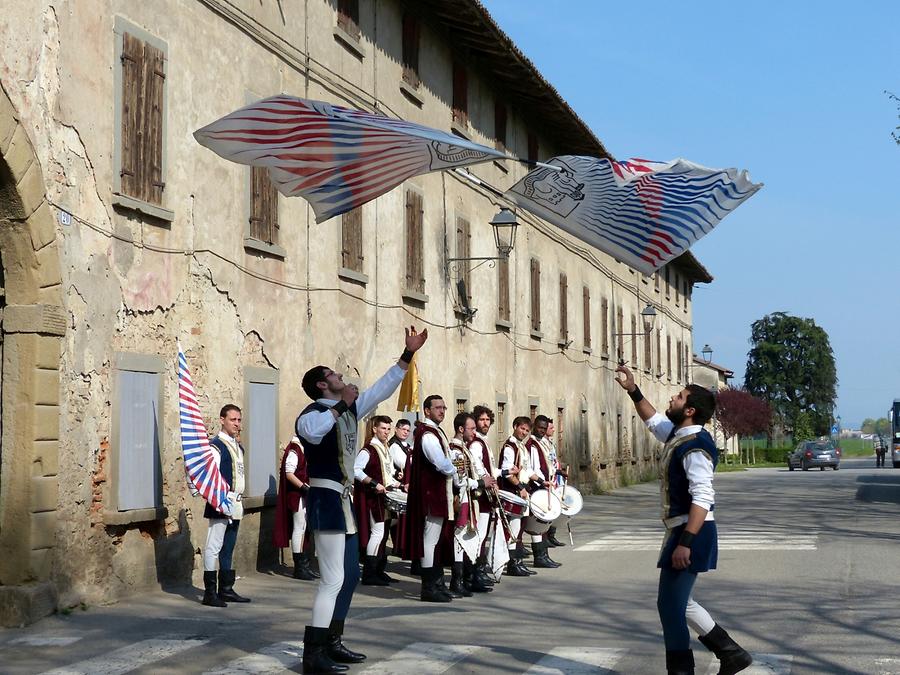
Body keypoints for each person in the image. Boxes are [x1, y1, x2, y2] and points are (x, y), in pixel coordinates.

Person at [296, 327, 428, 674]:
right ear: (322, 385)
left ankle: (333, 641)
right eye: (332, 374)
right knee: (332, 579)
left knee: (350, 578)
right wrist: (343, 405)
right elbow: (312, 432)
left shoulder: (350, 408)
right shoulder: (312, 412)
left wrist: (407, 354)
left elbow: (384, 387)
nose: (339, 375)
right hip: (325, 499)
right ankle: (313, 654)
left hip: (343, 501)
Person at [616, 364, 752, 675]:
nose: (672, 399)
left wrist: (686, 543)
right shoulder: (681, 435)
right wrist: (633, 390)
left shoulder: (695, 446)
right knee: (681, 602)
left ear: (689, 409)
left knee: (670, 607)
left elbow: (703, 497)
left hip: (693, 531)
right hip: (684, 530)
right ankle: (731, 653)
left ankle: (683, 671)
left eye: (678, 397)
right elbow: (653, 421)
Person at [399, 394, 469, 602]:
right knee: (430, 541)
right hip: (431, 495)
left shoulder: (436, 432)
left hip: (439, 494)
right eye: (437, 407)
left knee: (437, 541)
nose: (442, 411)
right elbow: (441, 463)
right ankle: (429, 586)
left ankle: (437, 583)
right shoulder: (427, 434)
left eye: (444, 407)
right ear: (427, 411)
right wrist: (456, 471)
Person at [199, 404, 251, 607]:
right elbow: (210, 474)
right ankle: (210, 592)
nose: (237, 424)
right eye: (233, 420)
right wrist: (219, 499)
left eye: (239, 420)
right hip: (221, 499)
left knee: (228, 547)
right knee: (214, 545)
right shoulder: (216, 445)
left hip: (236, 501)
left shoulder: (237, 445)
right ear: (222, 420)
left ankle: (226, 589)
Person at [448, 411, 496, 595]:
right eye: (472, 428)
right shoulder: (456, 450)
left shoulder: (463, 448)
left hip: (469, 498)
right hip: (461, 499)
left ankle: (468, 577)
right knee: (460, 538)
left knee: (468, 537)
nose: (474, 432)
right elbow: (459, 480)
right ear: (461, 429)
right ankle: (457, 581)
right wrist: (481, 483)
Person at [354, 415, 399, 586]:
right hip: (374, 498)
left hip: (385, 496)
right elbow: (356, 471)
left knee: (384, 533)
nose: (386, 432)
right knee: (378, 533)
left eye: (388, 429)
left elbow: (387, 474)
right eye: (383, 428)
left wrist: (398, 484)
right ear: (374, 429)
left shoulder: (385, 448)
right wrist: (374, 484)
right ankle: (369, 573)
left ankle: (379, 570)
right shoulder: (368, 450)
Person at [273, 436, 318, 581]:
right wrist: (304, 488)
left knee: (304, 528)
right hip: (297, 495)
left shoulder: (304, 447)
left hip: (304, 494)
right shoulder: (295, 448)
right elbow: (289, 473)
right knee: (299, 527)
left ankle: (304, 566)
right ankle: (299, 568)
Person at [499, 416, 537, 577]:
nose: (524, 432)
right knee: (513, 529)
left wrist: (542, 481)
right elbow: (507, 472)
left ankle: (517, 562)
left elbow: (526, 470)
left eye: (527, 431)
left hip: (521, 491)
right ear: (515, 426)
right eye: (522, 429)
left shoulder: (521, 447)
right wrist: (520, 487)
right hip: (512, 491)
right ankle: (512, 564)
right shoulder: (510, 447)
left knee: (519, 528)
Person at [526, 415, 561, 569]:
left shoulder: (542, 443)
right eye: (539, 427)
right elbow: (534, 468)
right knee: (537, 522)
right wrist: (541, 482)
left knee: (544, 521)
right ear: (534, 426)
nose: (542, 430)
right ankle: (539, 557)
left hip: (546, 485)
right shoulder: (532, 445)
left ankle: (544, 555)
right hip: (537, 486)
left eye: (544, 428)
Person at [543, 419, 569, 548]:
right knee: (550, 507)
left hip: (556, 478)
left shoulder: (550, 443)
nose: (554, 430)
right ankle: (546, 536)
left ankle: (552, 535)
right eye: (551, 428)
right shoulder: (541, 443)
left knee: (556, 506)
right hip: (549, 478)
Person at [388, 418, 412, 484]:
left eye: (408, 430)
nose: (406, 432)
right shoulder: (394, 445)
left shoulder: (407, 445)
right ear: (396, 429)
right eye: (403, 429)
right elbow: (403, 464)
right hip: (399, 483)